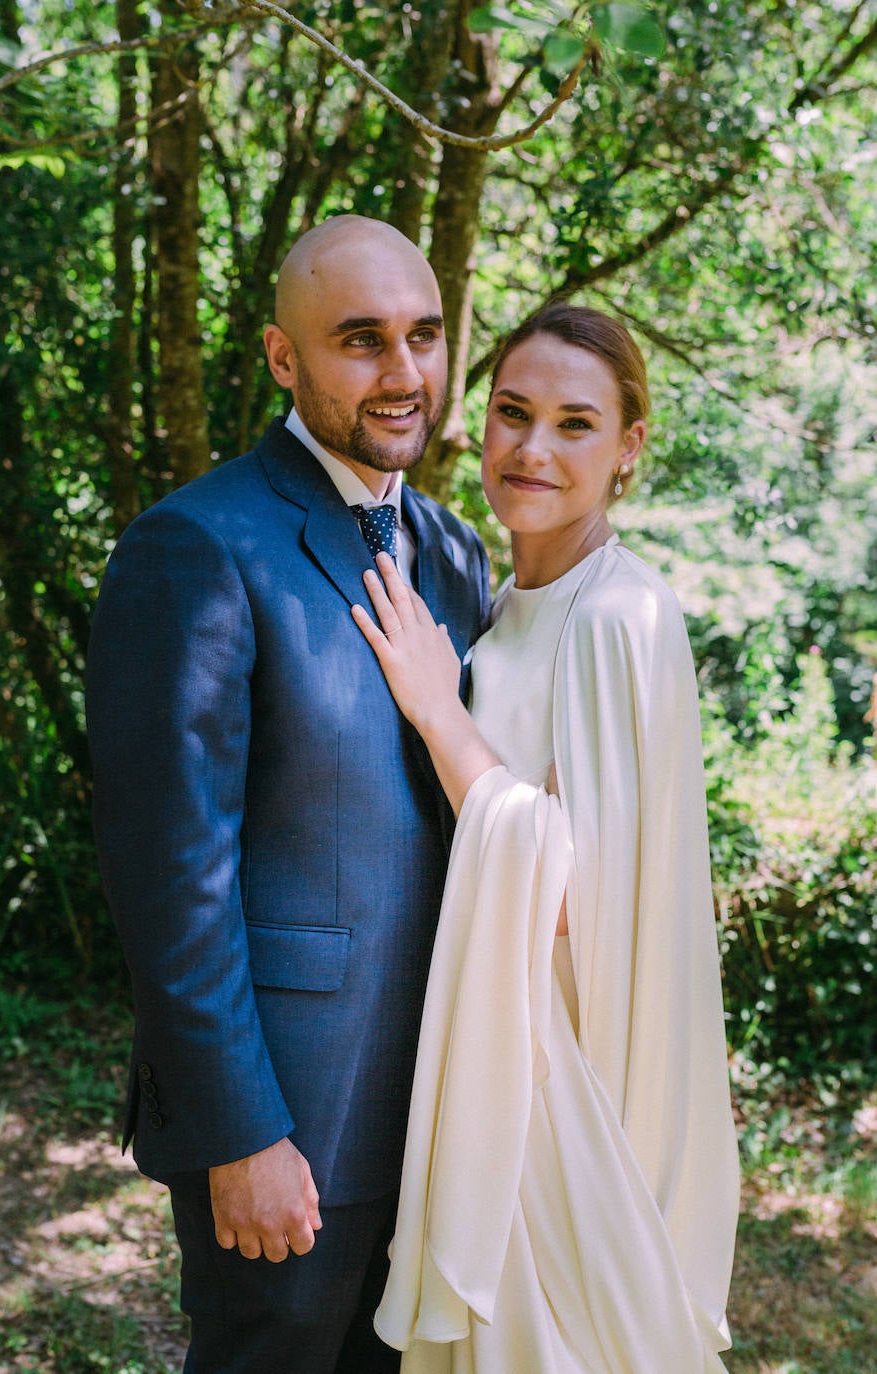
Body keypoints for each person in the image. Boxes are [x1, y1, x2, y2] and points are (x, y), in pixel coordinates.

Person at [84, 215, 490, 1373]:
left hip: (448, 1112)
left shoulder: (455, 553)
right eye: (361, 341)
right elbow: (172, 874)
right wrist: (240, 1132)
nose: (404, 373)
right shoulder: (195, 548)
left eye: (422, 336)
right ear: (281, 358)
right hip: (293, 1116)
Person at [352, 303, 741, 1372]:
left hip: (559, 1086)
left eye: (575, 423)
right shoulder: (505, 601)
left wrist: (441, 714)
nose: (530, 448)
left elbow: (577, 893)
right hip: (498, 1052)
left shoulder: (622, 618)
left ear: (628, 449)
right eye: (512, 413)